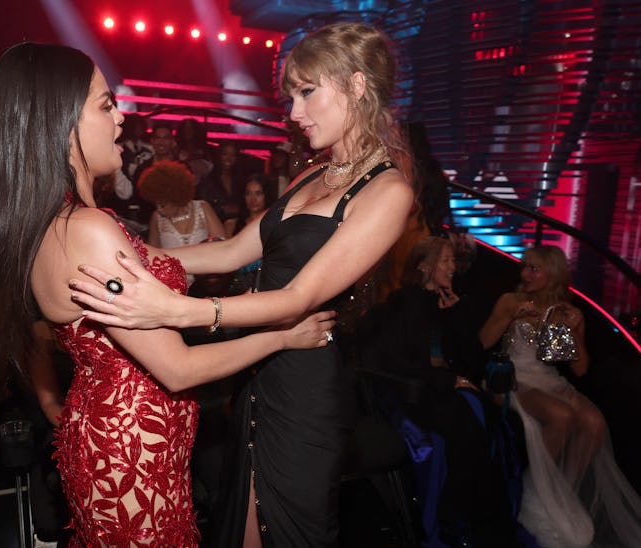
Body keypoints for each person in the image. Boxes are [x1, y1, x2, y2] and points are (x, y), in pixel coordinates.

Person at [0, 42, 335, 547]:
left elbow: (216, 257)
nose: (121, 119)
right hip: (133, 452)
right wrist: (282, 337)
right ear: (61, 122)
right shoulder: (87, 231)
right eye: (104, 105)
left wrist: (300, 196)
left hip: (121, 441)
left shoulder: (65, 224)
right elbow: (178, 367)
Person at [69, 22, 415, 547]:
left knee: (292, 529)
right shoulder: (312, 174)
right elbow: (231, 251)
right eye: (291, 96)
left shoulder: (388, 191)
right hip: (258, 368)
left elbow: (298, 299)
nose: (294, 113)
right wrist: (125, 249)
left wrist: (178, 311)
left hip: (307, 382)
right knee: (246, 523)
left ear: (357, 86)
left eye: (306, 92)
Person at [479, 245, 641, 547]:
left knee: (594, 421)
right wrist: (507, 317)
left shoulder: (559, 312)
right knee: (561, 416)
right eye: (525, 266)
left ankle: (560, 493)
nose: (524, 273)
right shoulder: (511, 301)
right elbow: (482, 343)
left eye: (533, 269)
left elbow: (579, 369)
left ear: (552, 275)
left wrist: (576, 330)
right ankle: (533, 497)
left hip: (544, 379)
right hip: (511, 378)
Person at [376, 236, 516, 546]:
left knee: (486, 417)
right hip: (415, 389)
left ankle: (477, 515)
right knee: (462, 420)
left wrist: (457, 315)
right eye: (445, 261)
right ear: (424, 265)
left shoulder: (447, 301)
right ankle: (456, 518)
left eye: (454, 261)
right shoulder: (404, 301)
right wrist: (447, 381)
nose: (453, 267)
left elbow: (473, 359)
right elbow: (396, 360)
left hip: (445, 386)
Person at [140, 160, 225, 249]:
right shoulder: (157, 218)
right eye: (155, 204)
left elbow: (222, 245)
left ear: (175, 197)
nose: (159, 209)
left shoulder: (202, 208)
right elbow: (153, 255)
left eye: (162, 204)